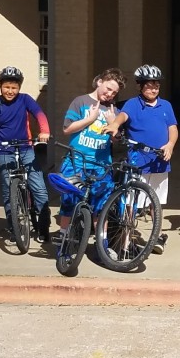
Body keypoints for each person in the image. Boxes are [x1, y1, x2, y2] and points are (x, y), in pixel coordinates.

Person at [105, 65, 179, 254]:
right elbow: (122, 116)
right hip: (138, 161)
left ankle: (158, 235)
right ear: (140, 87)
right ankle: (126, 239)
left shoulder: (166, 106)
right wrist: (114, 124)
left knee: (157, 201)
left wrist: (170, 145)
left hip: (160, 161)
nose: (153, 89)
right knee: (131, 202)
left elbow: (173, 128)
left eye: (156, 86)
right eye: (148, 86)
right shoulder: (132, 103)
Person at [0, 65, 52, 244]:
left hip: (25, 147)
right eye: (7, 87)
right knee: (8, 190)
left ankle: (44, 226)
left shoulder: (25, 100)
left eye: (14, 87)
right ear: (0, 86)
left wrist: (44, 131)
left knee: (39, 187)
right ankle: (14, 227)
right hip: (3, 150)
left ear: (19, 88)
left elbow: (39, 115)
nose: (10, 91)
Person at [55, 68, 125, 240]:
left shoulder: (112, 110)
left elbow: (116, 140)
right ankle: (64, 238)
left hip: (101, 165)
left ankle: (102, 245)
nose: (110, 94)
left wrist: (112, 125)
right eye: (108, 88)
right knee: (69, 202)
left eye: (114, 92)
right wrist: (89, 119)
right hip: (77, 162)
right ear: (100, 82)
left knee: (101, 207)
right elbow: (67, 129)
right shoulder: (80, 102)